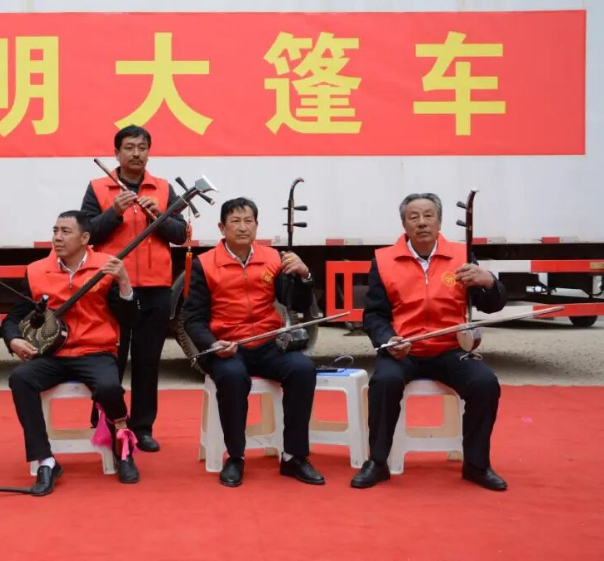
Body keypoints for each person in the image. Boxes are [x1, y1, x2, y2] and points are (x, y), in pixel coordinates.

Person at [351, 193, 509, 491]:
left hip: (450, 349)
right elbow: (374, 315)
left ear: (440, 221)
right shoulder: (384, 260)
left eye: (428, 216)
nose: (422, 223)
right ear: (404, 224)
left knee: (485, 383)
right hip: (405, 350)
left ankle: (476, 465)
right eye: (414, 217)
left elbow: (492, 305)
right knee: (383, 382)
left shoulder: (462, 256)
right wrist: (387, 339)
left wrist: (488, 281)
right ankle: (378, 462)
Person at [182, 197, 324, 488]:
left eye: (249, 221)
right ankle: (236, 456)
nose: (243, 227)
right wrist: (213, 343)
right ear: (222, 227)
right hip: (227, 346)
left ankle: (294, 456)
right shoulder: (204, 264)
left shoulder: (272, 258)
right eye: (235, 221)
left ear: (257, 226)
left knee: (302, 369)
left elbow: (295, 302)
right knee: (233, 377)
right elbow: (192, 319)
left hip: (267, 342)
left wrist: (304, 275)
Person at [3, 211, 141, 496]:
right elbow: (14, 317)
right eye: (55, 231)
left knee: (109, 387)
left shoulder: (106, 267)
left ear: (85, 238)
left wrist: (125, 283)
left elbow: (130, 320)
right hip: (52, 354)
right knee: (20, 379)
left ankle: (122, 444)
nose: (57, 237)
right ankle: (46, 460)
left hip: (96, 350)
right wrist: (14, 340)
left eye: (65, 231)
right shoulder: (36, 270)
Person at [80, 125, 188, 452]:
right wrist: (114, 212)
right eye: (129, 147)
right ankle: (107, 421)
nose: (136, 153)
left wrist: (159, 217)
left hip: (155, 288)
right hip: (112, 287)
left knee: (147, 360)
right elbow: (87, 234)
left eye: (142, 147)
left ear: (148, 152)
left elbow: (180, 235)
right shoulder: (98, 187)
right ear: (117, 153)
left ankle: (142, 427)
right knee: (109, 359)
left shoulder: (163, 188)